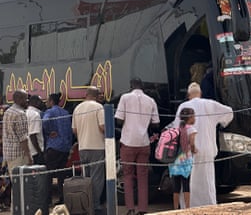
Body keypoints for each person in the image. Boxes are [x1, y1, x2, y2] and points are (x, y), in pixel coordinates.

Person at [173, 82, 233, 208]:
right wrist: (220, 123)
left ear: (188, 95)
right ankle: (209, 205)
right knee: (207, 180)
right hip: (207, 148)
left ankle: (188, 208)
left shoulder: (183, 106)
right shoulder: (210, 104)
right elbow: (229, 112)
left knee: (188, 180)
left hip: (188, 149)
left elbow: (176, 128)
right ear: (200, 93)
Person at [115, 78, 160, 215]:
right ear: (143, 87)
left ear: (131, 86)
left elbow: (119, 120)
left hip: (128, 143)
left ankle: (130, 208)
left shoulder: (125, 98)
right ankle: (143, 209)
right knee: (143, 176)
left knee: (127, 176)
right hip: (144, 143)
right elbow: (156, 123)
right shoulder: (150, 101)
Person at [72, 86, 105, 215]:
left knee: (86, 177)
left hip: (82, 148)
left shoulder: (77, 108)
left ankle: (85, 205)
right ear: (96, 96)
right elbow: (103, 127)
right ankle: (95, 206)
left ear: (86, 95)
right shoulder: (98, 107)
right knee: (97, 178)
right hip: (96, 147)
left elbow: (74, 130)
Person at [43, 92, 73, 206]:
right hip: (65, 147)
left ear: (51, 101)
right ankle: (62, 199)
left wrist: (49, 131)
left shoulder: (50, 111)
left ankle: (48, 200)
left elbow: (45, 121)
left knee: (49, 175)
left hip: (54, 147)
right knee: (61, 175)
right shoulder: (65, 112)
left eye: (47, 101)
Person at [169, 107, 197, 210]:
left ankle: (176, 208)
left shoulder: (175, 127)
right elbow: (192, 144)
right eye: (194, 116)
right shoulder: (192, 129)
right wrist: (194, 150)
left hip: (174, 160)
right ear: (190, 117)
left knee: (176, 186)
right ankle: (187, 208)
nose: (195, 118)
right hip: (185, 160)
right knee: (186, 185)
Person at [2, 89, 32, 173]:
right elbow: (23, 139)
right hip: (19, 155)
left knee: (15, 183)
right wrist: (29, 156)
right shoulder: (20, 114)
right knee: (22, 184)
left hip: (9, 154)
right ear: (18, 99)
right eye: (25, 98)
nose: (28, 101)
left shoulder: (8, 111)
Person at [27, 95, 45, 165]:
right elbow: (32, 135)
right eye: (41, 101)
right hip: (35, 152)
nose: (43, 103)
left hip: (27, 151)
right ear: (36, 103)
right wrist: (39, 152)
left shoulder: (25, 112)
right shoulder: (35, 115)